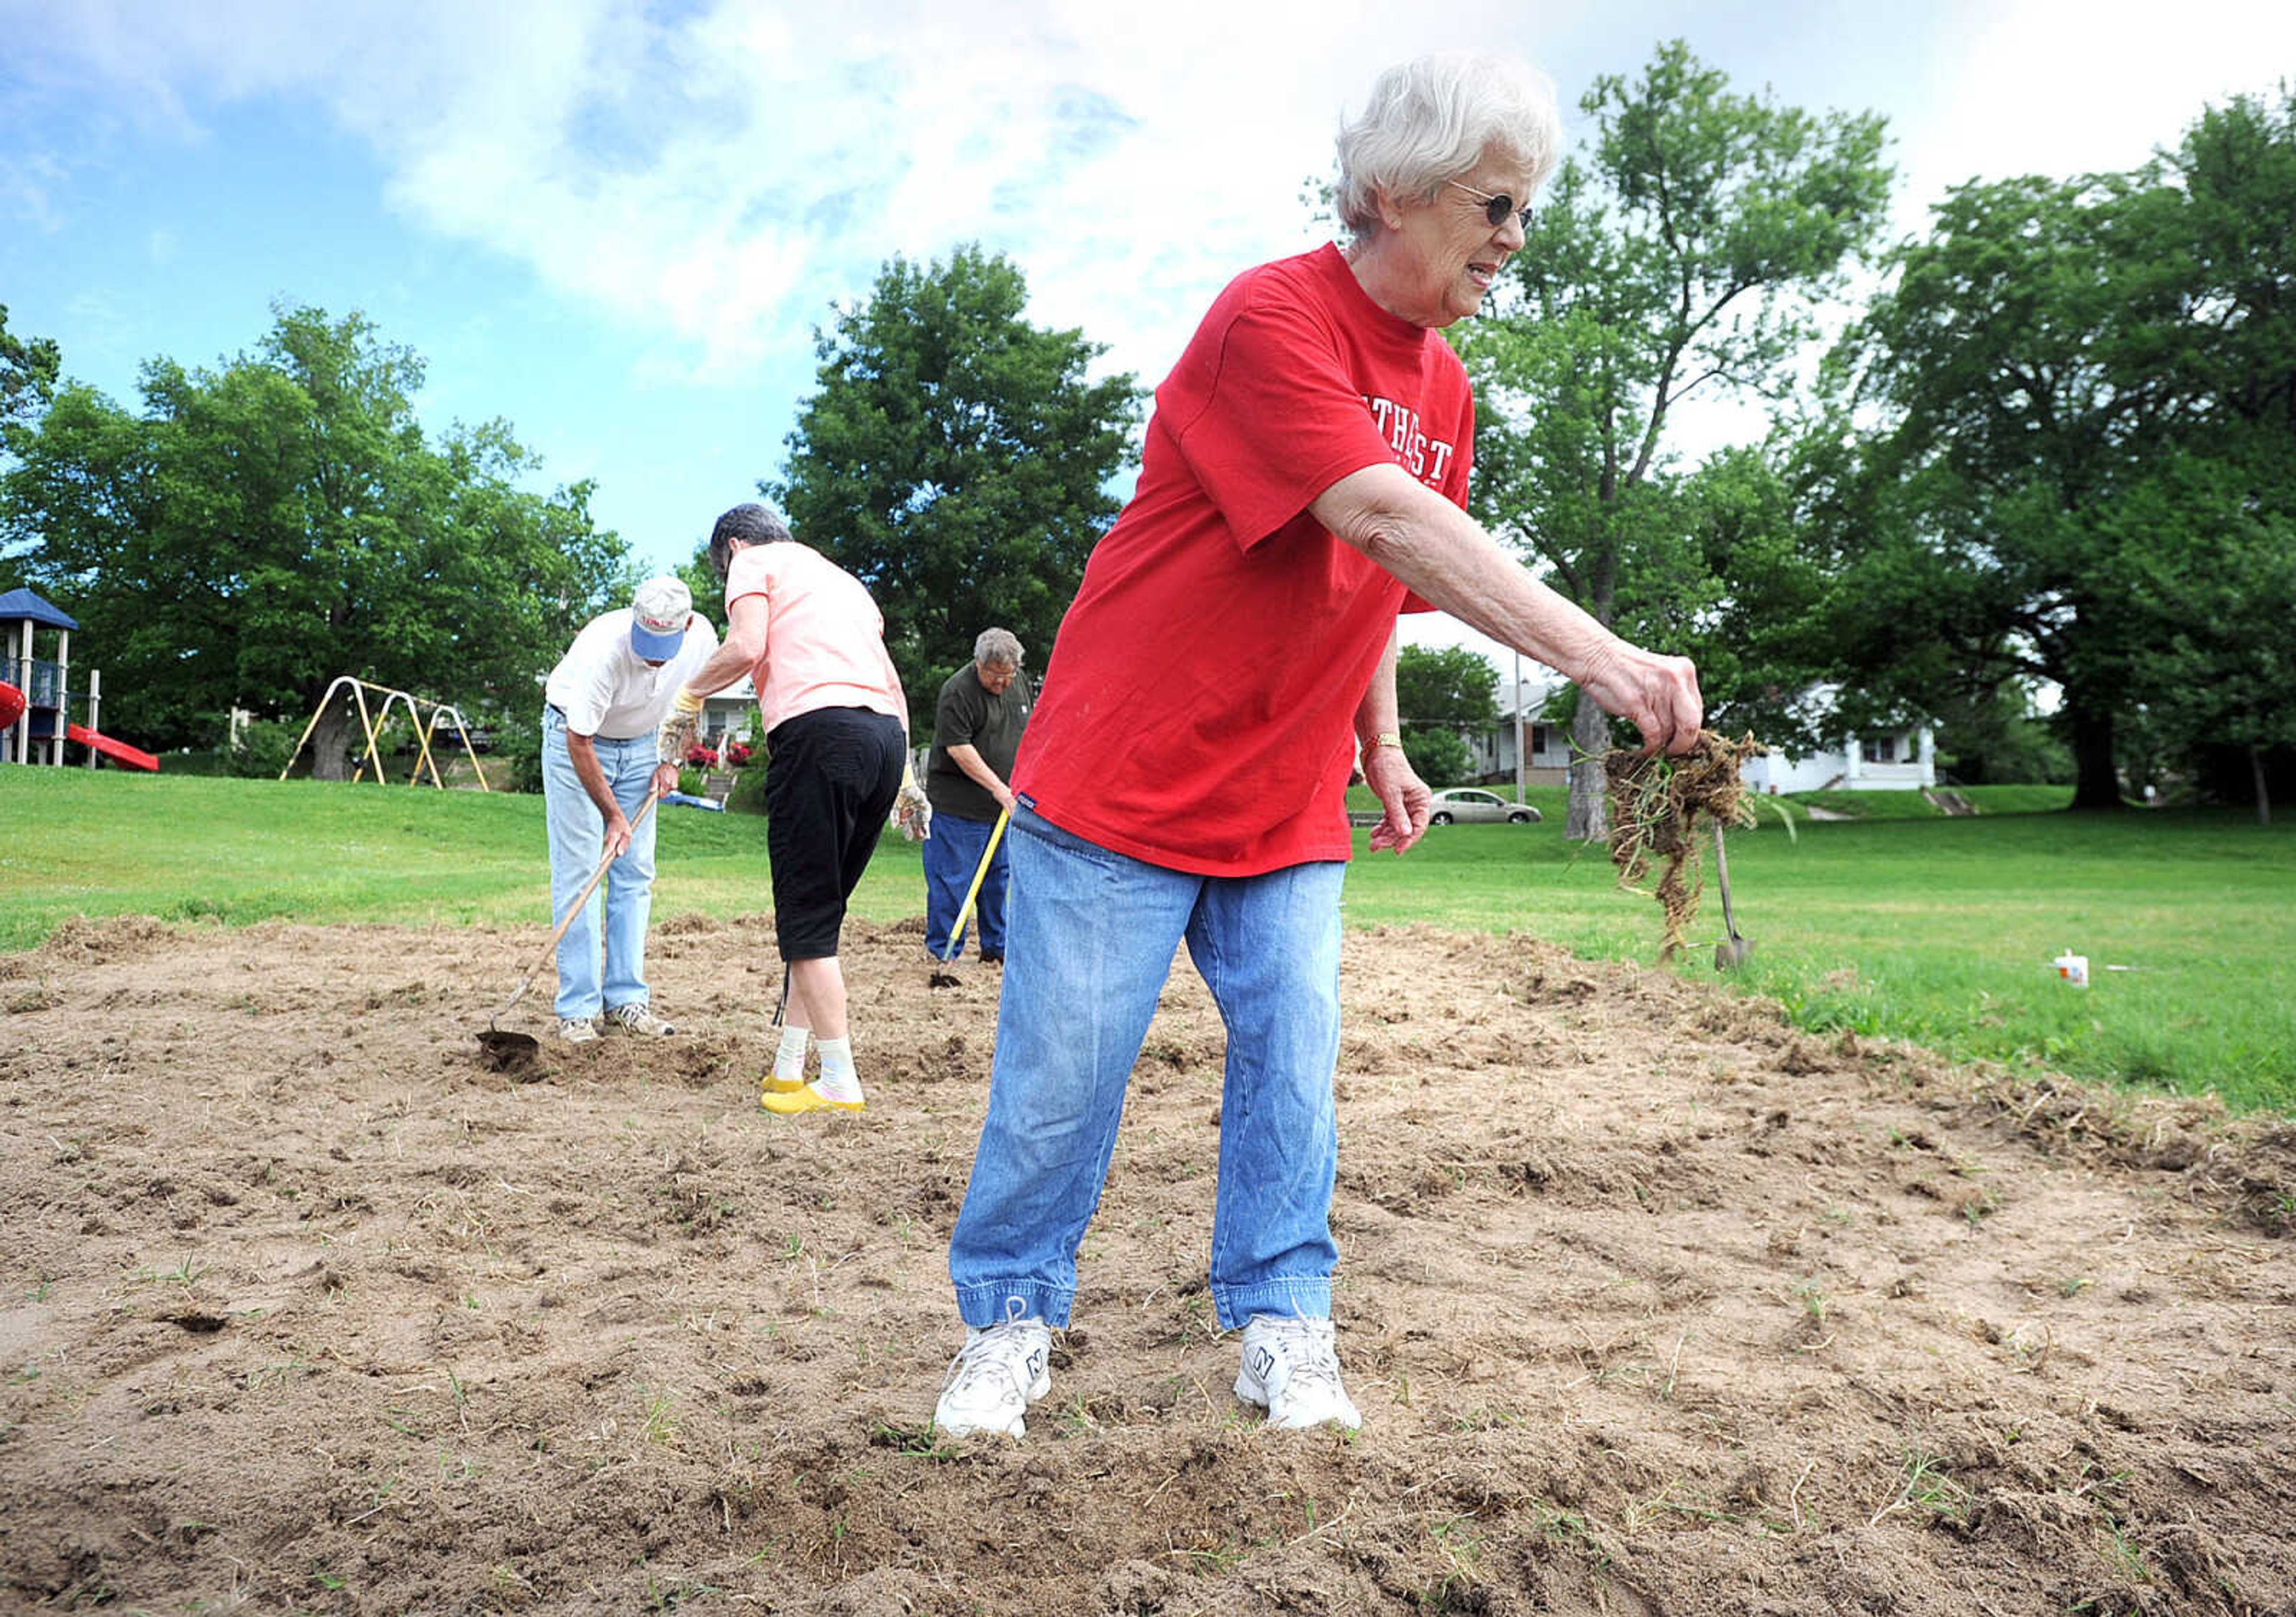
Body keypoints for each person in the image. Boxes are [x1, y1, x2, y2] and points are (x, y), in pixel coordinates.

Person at [932, 51, 1704, 1439]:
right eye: (1493, 204)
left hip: (1285, 802)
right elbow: (1383, 519)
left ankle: (1284, 1320)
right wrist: (1601, 656)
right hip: (1121, 782)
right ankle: (1009, 1323)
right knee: (1064, 1080)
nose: (1512, 239)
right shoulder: (1269, 317)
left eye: (1523, 209)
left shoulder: (1448, 388)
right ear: (1386, 192)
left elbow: (1378, 595)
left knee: (1293, 1065)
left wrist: (1386, 745)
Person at [660, 503, 927, 1115]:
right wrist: (906, 772)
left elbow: (746, 645)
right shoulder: (842, 581)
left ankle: (838, 1078)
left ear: (731, 545)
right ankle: (789, 1067)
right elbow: (891, 683)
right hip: (884, 742)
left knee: (805, 917)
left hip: (820, 735)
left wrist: (689, 694)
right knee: (823, 915)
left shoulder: (753, 564)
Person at [541, 576, 718, 1044]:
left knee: (636, 872)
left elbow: (693, 700)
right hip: (575, 740)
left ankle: (625, 1001)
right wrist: (614, 815)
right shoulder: (605, 648)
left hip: (643, 743)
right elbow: (578, 741)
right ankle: (578, 1009)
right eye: (646, 643)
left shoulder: (702, 639)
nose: (653, 657)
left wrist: (671, 758)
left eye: (664, 646)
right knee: (581, 871)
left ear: (689, 625)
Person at [922, 628, 1032, 965]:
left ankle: (996, 949)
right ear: (979, 664)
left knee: (999, 880)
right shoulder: (958, 691)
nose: (1003, 683)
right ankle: (944, 951)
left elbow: (1029, 730)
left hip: (1003, 808)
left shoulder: (1020, 682)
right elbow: (958, 748)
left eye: (1008, 675)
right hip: (959, 807)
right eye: (995, 676)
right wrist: (999, 789)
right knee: (953, 880)